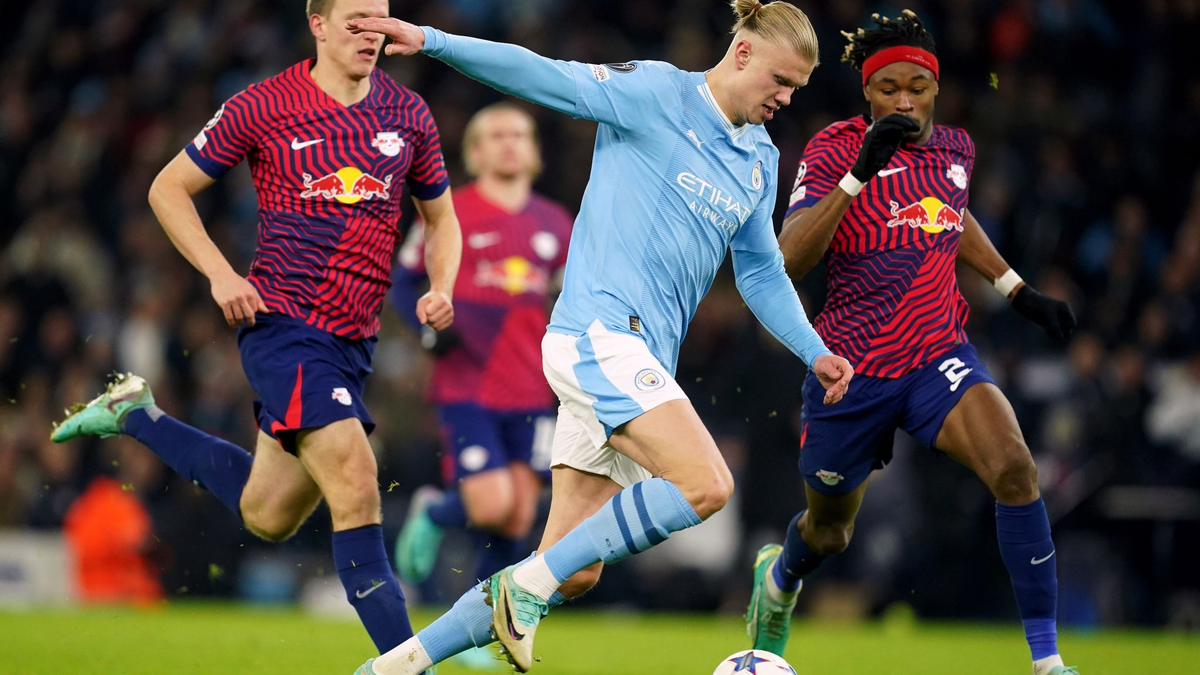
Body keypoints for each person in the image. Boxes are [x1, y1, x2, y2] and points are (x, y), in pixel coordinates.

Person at [345, 1, 853, 673]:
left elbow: (760, 272)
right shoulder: (655, 92)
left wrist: (814, 350)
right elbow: (542, 75)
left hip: (642, 358)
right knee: (705, 483)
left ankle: (397, 665)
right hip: (598, 335)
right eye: (780, 80)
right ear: (743, 54)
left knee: (572, 567)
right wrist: (433, 40)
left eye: (797, 88)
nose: (786, 98)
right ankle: (522, 589)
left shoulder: (759, 158)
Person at [49, 0, 461, 656]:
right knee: (357, 480)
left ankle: (137, 415)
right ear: (317, 24)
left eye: (381, 20)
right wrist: (220, 274)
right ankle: (407, 664)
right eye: (355, 20)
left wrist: (441, 286)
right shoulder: (264, 104)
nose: (371, 33)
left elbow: (440, 219)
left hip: (354, 343)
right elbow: (167, 188)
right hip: (284, 329)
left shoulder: (408, 113)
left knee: (267, 514)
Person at [744, 11, 1079, 675]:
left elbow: (950, 211)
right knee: (830, 532)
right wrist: (858, 174)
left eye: (918, 88)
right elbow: (789, 259)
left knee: (1015, 467)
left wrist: (1015, 288)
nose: (905, 101)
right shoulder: (832, 149)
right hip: (850, 367)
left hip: (936, 355)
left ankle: (1047, 661)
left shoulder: (956, 149)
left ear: (936, 88)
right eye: (889, 88)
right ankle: (779, 579)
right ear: (867, 92)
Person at [388, 103, 570, 667]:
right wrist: (427, 328)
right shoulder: (450, 212)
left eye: (519, 134)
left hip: (533, 386)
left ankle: (478, 628)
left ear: (534, 150)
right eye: (495, 135)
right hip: (467, 382)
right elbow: (405, 279)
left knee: (519, 517)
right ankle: (435, 512)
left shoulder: (556, 223)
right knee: (492, 505)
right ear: (474, 152)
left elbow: (569, 295)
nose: (509, 143)